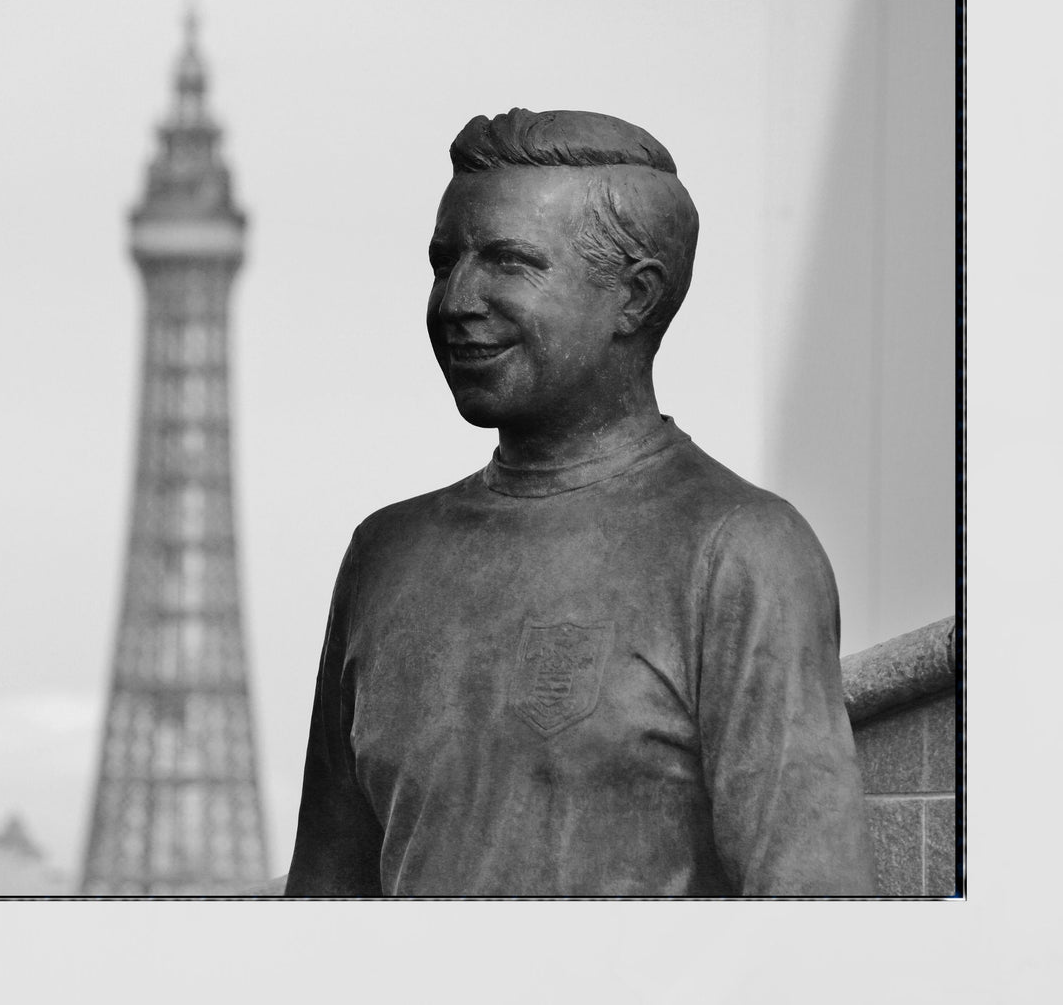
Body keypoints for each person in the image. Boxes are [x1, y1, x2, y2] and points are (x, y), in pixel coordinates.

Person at [283, 108, 877, 897]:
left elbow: (816, 921)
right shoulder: (383, 553)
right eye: (443, 261)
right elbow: (324, 906)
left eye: (508, 262)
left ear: (634, 297)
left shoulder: (740, 550)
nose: (457, 298)